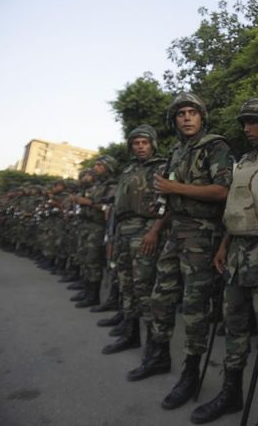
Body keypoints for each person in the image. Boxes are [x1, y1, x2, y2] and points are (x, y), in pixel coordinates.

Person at [127, 93, 234, 415]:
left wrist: (177, 190)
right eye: (181, 114)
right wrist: (157, 225)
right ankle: (159, 356)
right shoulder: (176, 152)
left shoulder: (216, 146)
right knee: (161, 297)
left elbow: (223, 190)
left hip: (202, 236)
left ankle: (191, 372)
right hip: (175, 234)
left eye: (192, 113)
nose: (186, 118)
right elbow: (168, 200)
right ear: (174, 121)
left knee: (195, 308)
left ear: (202, 117)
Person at [190, 98, 258, 424]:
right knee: (234, 329)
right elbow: (236, 207)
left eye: (253, 122)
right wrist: (224, 244)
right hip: (236, 254)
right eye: (244, 123)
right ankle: (231, 393)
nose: (246, 129)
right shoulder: (244, 161)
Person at [101, 125, 167, 355]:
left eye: (144, 143)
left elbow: (165, 204)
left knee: (144, 288)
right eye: (136, 143)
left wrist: (154, 231)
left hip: (144, 231)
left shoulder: (161, 167)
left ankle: (154, 348)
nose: (140, 147)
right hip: (123, 231)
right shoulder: (128, 170)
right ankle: (131, 334)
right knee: (126, 284)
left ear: (152, 144)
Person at [71, 155, 117, 308]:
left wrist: (88, 203)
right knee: (84, 258)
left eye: (99, 165)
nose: (95, 168)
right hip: (86, 225)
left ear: (108, 168)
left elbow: (109, 207)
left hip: (98, 227)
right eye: (96, 165)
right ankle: (86, 290)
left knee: (93, 261)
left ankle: (93, 296)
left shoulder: (112, 185)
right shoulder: (95, 185)